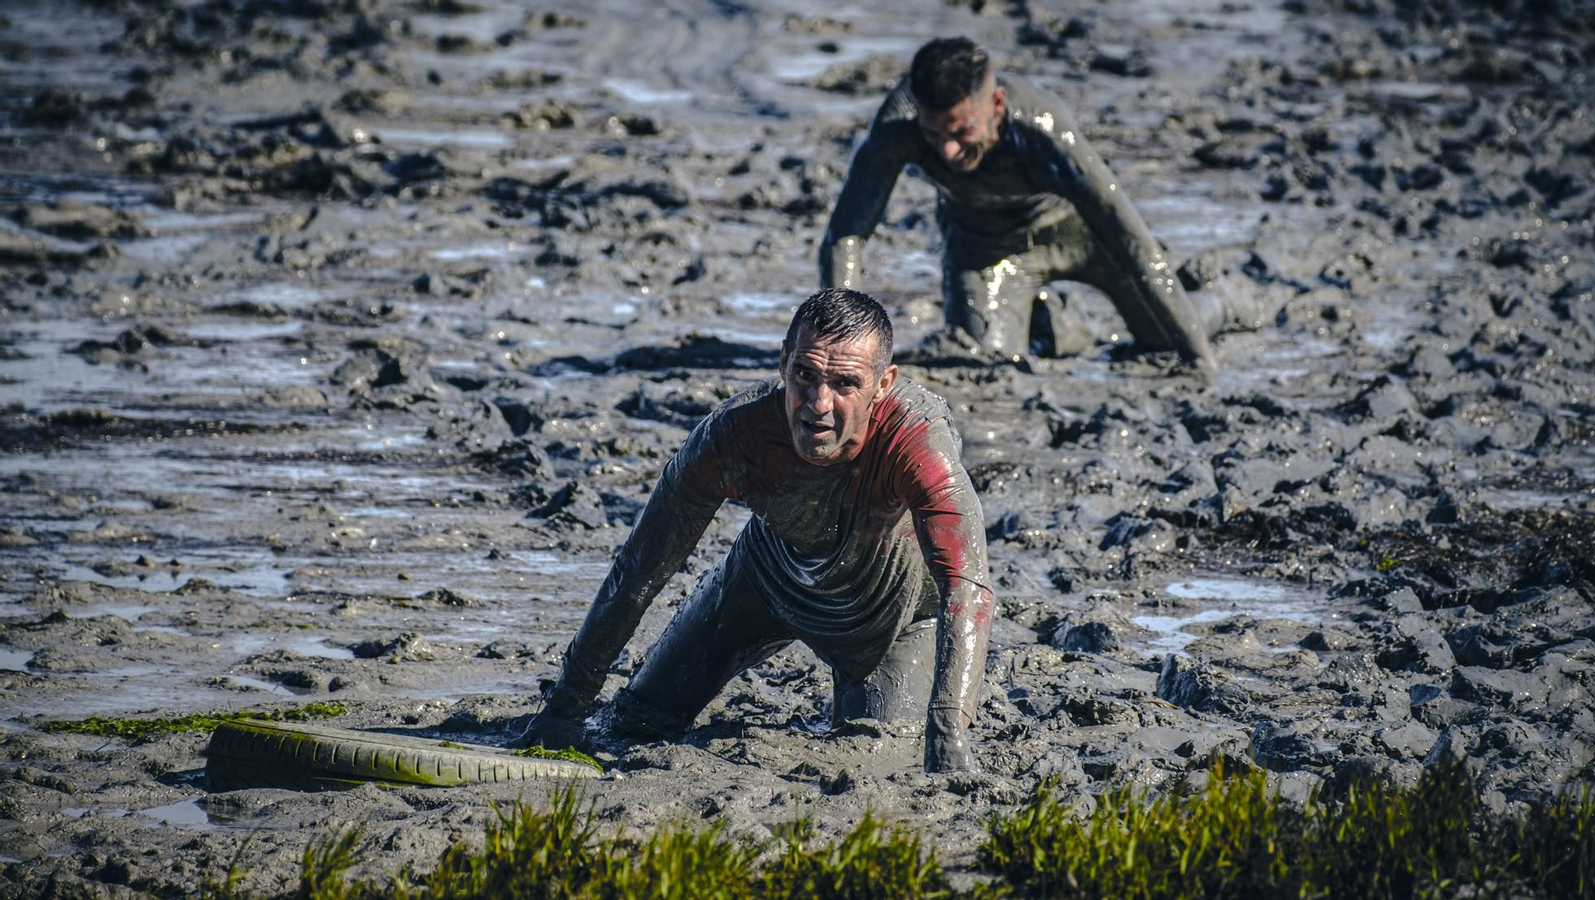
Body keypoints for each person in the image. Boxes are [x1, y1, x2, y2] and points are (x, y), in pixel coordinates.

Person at [514, 288, 994, 772]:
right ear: (784, 363)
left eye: (845, 383)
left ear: (883, 383)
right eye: (805, 375)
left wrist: (949, 726)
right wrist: (565, 708)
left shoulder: (917, 441)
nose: (818, 405)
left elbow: (966, 584)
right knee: (637, 721)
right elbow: (640, 569)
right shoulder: (734, 434)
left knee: (874, 758)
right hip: (768, 578)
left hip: (894, 616)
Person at [820, 37, 1263, 369]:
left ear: (996, 105)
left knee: (1163, 338)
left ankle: (1222, 300)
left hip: (1081, 233)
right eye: (933, 133)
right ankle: (1052, 323)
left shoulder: (1043, 129)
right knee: (986, 358)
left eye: (960, 132)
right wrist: (841, 343)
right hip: (986, 244)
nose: (946, 151)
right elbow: (847, 234)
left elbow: (1130, 239)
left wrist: (1200, 359)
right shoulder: (899, 126)